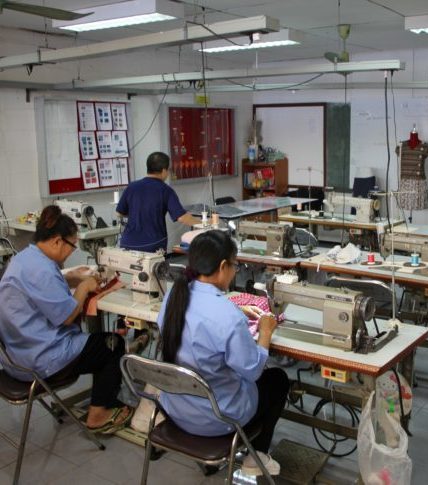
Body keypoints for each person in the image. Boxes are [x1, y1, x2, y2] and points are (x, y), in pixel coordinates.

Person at [157, 230, 289, 477]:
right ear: (222, 266)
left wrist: (233, 308)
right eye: (235, 265)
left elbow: (203, 316)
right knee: (277, 380)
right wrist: (266, 331)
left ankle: (216, 460)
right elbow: (252, 370)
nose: (235, 271)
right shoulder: (227, 317)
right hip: (217, 419)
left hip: (175, 410)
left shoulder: (174, 297)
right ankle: (256, 456)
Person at [0, 205, 132, 434]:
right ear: (57, 241)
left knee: (96, 343)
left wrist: (69, 278)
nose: (72, 251)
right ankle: (98, 414)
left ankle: (102, 398)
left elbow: (41, 288)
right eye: (72, 245)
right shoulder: (43, 270)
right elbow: (68, 317)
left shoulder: (24, 258)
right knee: (111, 345)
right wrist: (83, 287)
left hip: (15, 357)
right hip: (40, 360)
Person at [116, 151, 199, 253]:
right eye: (168, 170)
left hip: (127, 244)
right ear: (164, 170)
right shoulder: (165, 190)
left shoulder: (131, 187)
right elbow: (182, 217)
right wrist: (204, 224)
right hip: (152, 246)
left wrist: (137, 213)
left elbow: (119, 213)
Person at [395, 124, 428, 211]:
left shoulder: (425, 146)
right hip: (405, 183)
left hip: (418, 184)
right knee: (405, 208)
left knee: (417, 207)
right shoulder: (401, 146)